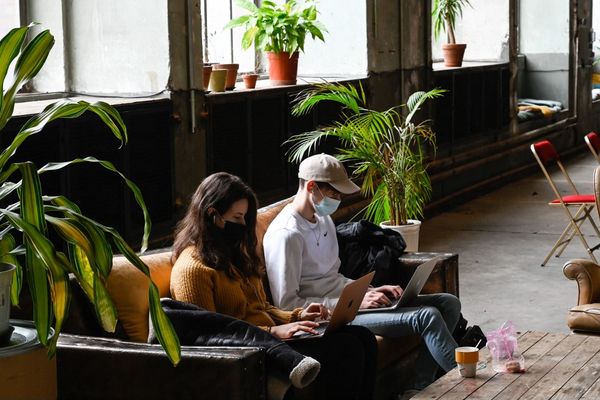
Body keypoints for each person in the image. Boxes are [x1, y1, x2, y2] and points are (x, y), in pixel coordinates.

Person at [263, 153, 462, 396]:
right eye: (334, 194)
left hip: (350, 305)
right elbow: (287, 304)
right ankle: (470, 383)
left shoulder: (323, 220)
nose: (337, 200)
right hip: (326, 320)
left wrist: (368, 291)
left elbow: (333, 276)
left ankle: (418, 386)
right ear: (311, 186)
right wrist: (353, 303)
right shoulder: (286, 234)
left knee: (448, 303)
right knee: (426, 316)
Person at [170, 172, 377, 400]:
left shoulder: (232, 254)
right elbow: (209, 336)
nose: (242, 225)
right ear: (212, 215)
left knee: (362, 337)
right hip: (251, 350)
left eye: (244, 218)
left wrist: (296, 316)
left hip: (273, 337)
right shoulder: (192, 270)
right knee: (348, 348)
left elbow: (262, 307)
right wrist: (272, 332)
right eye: (237, 217)